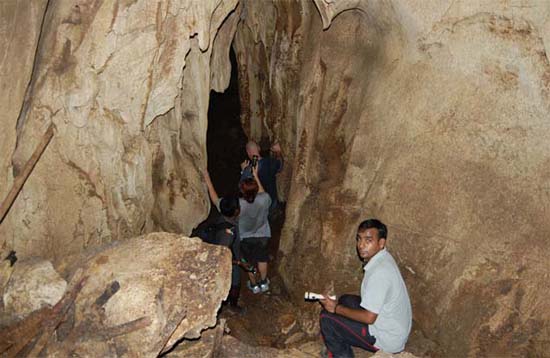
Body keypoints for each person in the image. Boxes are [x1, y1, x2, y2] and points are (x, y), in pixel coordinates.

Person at [319, 219, 412, 357]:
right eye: (359, 239)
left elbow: (369, 318)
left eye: (368, 240)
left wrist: (336, 308)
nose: (361, 245)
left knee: (327, 318)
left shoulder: (380, 273)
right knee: (345, 299)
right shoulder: (383, 258)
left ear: (381, 243)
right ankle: (344, 337)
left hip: (387, 338)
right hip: (395, 326)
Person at [202, 170, 242, 310]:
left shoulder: (223, 211)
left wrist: (207, 177)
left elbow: (214, 198)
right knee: (235, 279)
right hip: (229, 256)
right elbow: (222, 255)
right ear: (236, 211)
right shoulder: (228, 234)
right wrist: (238, 262)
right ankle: (233, 305)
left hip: (223, 246)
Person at [238, 164, 272, 294]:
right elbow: (262, 192)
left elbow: (243, 190)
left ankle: (254, 285)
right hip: (262, 235)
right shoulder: (264, 199)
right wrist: (256, 175)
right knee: (262, 259)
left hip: (245, 237)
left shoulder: (239, 204)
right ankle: (263, 283)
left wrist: (243, 173)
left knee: (248, 261)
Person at [240, 140, 283, 214]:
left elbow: (242, 188)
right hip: (272, 203)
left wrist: (243, 171)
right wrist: (278, 152)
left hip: (259, 209)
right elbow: (279, 165)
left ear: (248, 152)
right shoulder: (269, 162)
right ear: (259, 148)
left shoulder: (247, 171)